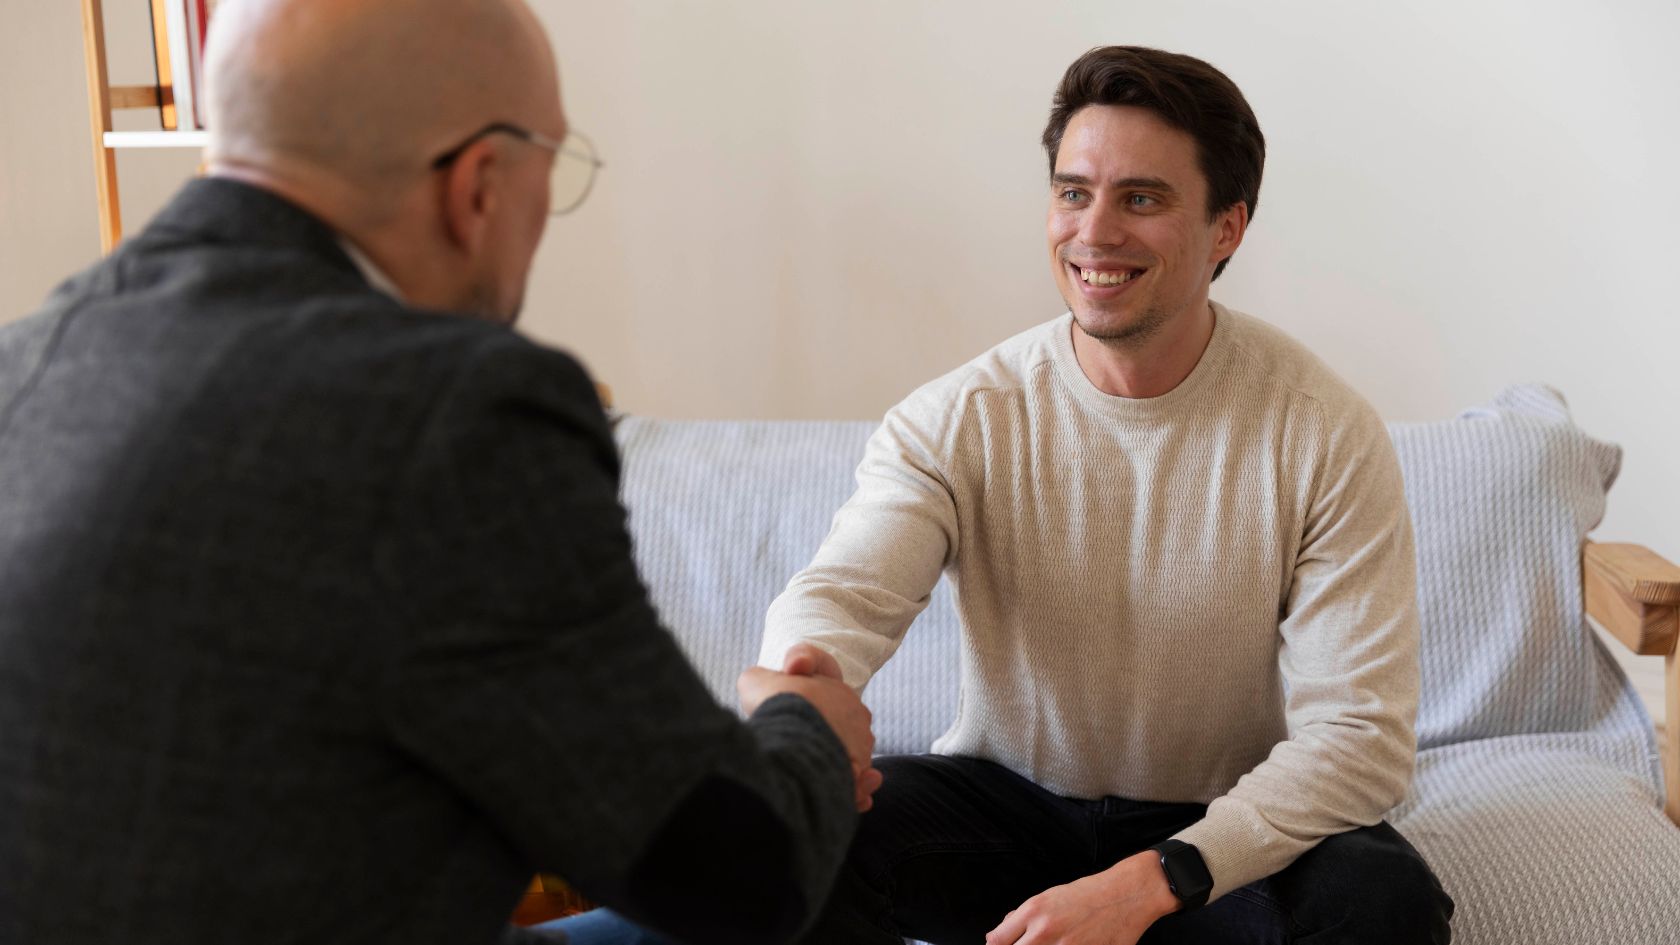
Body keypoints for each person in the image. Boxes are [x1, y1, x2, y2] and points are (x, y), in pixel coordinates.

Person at [0, 1, 876, 943]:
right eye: (556, 173)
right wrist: (809, 728)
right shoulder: (453, 413)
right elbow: (738, 878)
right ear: (480, 185)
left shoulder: (30, 356)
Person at [757, 46, 1457, 944]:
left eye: (1142, 198)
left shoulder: (1322, 430)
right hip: (1005, 812)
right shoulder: (958, 417)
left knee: (1382, 898)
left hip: (1213, 830)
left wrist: (1148, 884)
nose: (1093, 232)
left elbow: (1359, 740)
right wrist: (800, 683)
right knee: (789, 842)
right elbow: (845, 591)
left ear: (1226, 229)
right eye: (1073, 191)